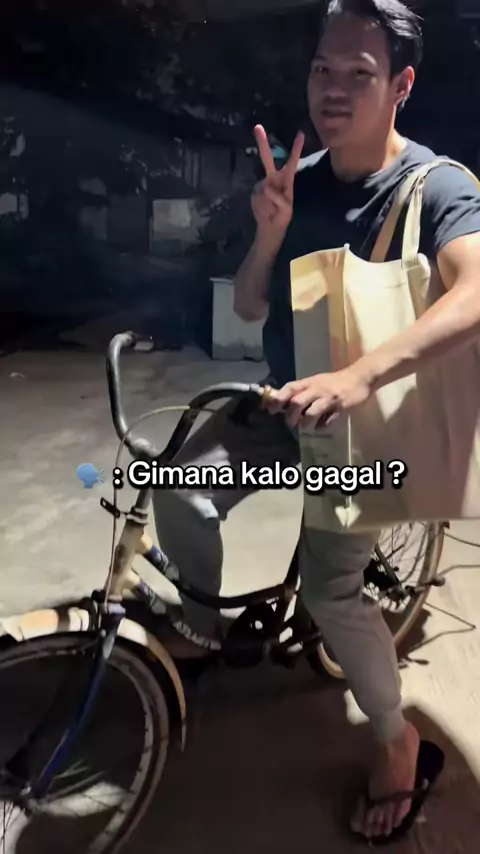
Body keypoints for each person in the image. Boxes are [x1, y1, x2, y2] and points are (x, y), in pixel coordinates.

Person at [154, 0, 480, 842]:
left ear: (401, 85)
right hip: (285, 405)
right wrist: (269, 235)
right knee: (179, 490)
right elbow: (251, 306)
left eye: (358, 74)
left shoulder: (437, 187)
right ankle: (211, 636)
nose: (333, 90)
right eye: (321, 70)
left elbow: (477, 290)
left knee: (333, 591)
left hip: (368, 428)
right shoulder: (298, 179)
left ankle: (398, 744)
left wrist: (359, 376)